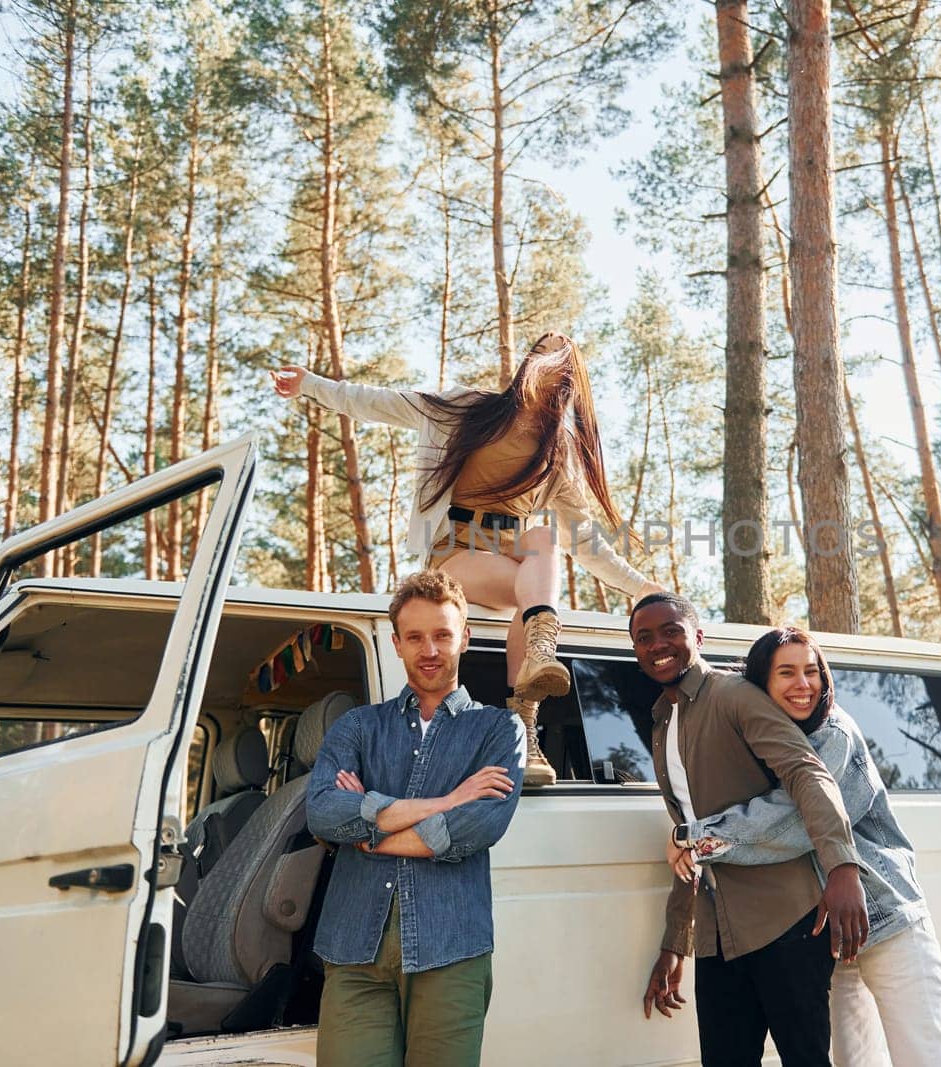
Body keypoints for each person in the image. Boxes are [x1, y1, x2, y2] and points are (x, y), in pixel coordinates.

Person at [273, 332, 661, 786]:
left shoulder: (560, 450)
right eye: (539, 347)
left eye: (558, 352)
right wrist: (310, 384)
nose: (545, 355)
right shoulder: (466, 409)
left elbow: (586, 542)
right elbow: (378, 402)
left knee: (545, 540)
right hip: (456, 550)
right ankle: (532, 684)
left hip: (516, 555)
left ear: (569, 377)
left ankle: (528, 716)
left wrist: (640, 588)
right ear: (527, 362)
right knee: (531, 590)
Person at [666, 627, 941, 1067]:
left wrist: (693, 839)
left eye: (812, 671)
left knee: (925, 1057)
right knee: (854, 1061)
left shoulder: (833, 734)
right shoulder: (768, 739)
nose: (804, 685)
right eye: (786, 673)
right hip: (831, 937)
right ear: (760, 684)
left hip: (886, 919)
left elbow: (790, 820)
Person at [632, 592, 869, 1067]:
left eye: (671, 631)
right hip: (719, 936)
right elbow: (690, 839)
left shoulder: (734, 695)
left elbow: (807, 770)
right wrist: (675, 943)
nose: (658, 644)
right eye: (644, 637)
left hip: (786, 922)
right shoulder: (662, 721)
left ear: (697, 637)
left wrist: (842, 866)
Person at [305, 570, 526, 1067]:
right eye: (416, 637)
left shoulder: (498, 728)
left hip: (451, 950)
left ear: (464, 638)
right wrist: (447, 800)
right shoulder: (359, 726)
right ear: (397, 643)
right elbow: (322, 812)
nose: (430, 649)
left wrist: (366, 832)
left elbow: (476, 828)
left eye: (443, 634)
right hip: (353, 950)